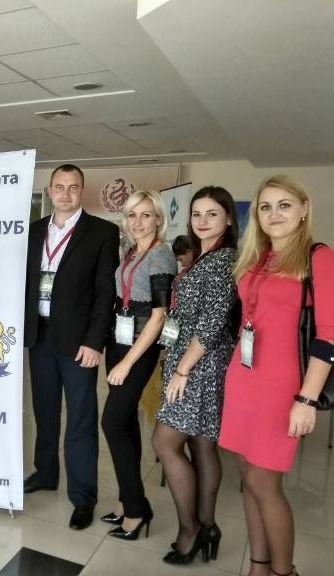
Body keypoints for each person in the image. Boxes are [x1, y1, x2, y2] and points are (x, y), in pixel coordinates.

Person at [220, 176, 334, 576]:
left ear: (303, 210)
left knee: (265, 483)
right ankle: (258, 567)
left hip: (282, 387)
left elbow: (329, 335)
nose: (274, 214)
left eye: (284, 205)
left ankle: (283, 572)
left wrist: (306, 399)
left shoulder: (318, 257)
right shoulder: (256, 258)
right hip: (243, 379)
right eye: (265, 207)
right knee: (248, 477)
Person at [23, 164, 120, 530]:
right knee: (44, 411)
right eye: (59, 187)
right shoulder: (33, 231)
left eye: (73, 187)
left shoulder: (102, 232)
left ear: (82, 191)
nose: (65, 193)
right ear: (50, 191)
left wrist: (95, 342)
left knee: (80, 419)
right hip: (39, 335)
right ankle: (45, 472)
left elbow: (105, 293)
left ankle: (83, 496)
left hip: (79, 342)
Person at [152, 186, 238, 565]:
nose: (202, 221)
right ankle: (208, 525)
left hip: (198, 366)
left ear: (228, 219)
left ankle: (191, 531)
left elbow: (212, 322)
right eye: (197, 214)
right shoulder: (205, 257)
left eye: (212, 214)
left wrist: (182, 369)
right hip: (194, 360)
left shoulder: (222, 261)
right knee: (202, 444)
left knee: (165, 443)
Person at [101, 190, 177, 540]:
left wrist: (127, 363)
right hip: (119, 342)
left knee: (112, 421)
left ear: (158, 219)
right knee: (125, 421)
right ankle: (128, 501)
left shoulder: (161, 255)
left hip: (139, 348)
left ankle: (136, 509)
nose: (138, 222)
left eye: (146, 215)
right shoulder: (132, 251)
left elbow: (159, 317)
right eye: (132, 215)